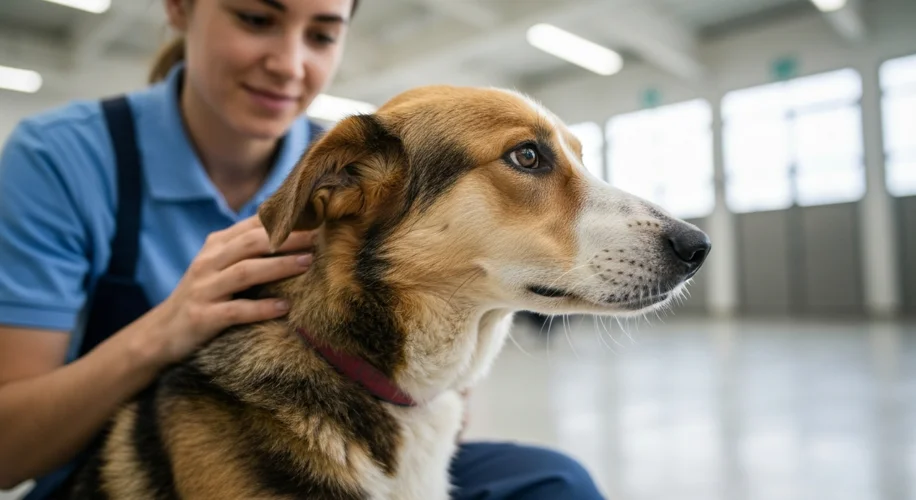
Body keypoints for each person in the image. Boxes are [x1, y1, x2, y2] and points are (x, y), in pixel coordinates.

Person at [0, 1, 605, 498]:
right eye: (255, 19)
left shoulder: (364, 163)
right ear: (180, 8)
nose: (290, 64)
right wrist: (162, 333)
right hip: (112, 465)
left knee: (556, 484)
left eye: (321, 34)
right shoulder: (61, 158)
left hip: (356, 445)